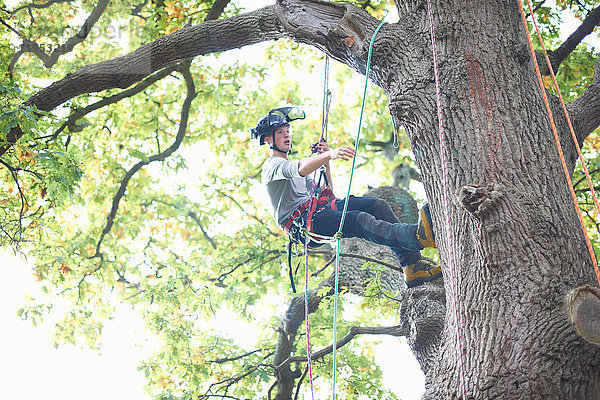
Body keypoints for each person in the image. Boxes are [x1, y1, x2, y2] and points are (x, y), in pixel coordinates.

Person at [251, 106, 441, 288]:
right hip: (305, 224)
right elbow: (299, 168)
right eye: (280, 132)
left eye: (287, 131)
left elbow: (328, 194)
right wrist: (330, 155)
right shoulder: (272, 166)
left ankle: (413, 266)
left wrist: (326, 163)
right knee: (357, 220)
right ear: (268, 140)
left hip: (319, 211)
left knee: (378, 206)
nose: (286, 135)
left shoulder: (295, 169)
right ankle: (416, 236)